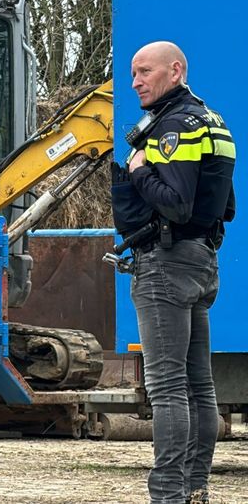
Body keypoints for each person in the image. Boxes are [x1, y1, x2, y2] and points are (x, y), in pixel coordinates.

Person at [111, 41, 235, 504]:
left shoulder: (175, 127)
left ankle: (168, 494)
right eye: (133, 74)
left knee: (166, 389)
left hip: (166, 263)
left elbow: (177, 204)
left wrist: (140, 171)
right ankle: (196, 488)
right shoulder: (214, 121)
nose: (136, 82)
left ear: (175, 70)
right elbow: (226, 205)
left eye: (144, 72)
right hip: (202, 262)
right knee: (199, 384)